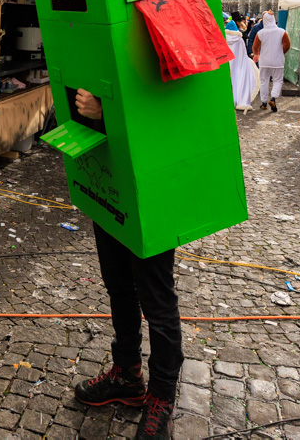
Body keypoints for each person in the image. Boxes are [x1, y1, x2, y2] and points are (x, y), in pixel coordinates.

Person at [70, 90, 182, 440]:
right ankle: (127, 374)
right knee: (118, 284)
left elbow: (169, 106)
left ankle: (161, 396)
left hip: (154, 184)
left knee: (157, 300)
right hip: (112, 175)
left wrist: (107, 112)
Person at [252, 12, 290, 112]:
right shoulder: (282, 32)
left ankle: (264, 102)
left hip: (264, 61)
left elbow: (255, 47)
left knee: (264, 81)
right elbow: (287, 45)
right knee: (277, 80)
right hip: (277, 61)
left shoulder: (260, 33)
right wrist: (281, 53)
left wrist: (256, 54)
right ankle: (273, 98)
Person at [226, 15, 259, 112]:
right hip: (239, 64)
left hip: (227, 64)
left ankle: (227, 101)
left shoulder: (224, 39)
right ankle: (239, 101)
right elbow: (242, 54)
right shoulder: (239, 40)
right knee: (240, 82)